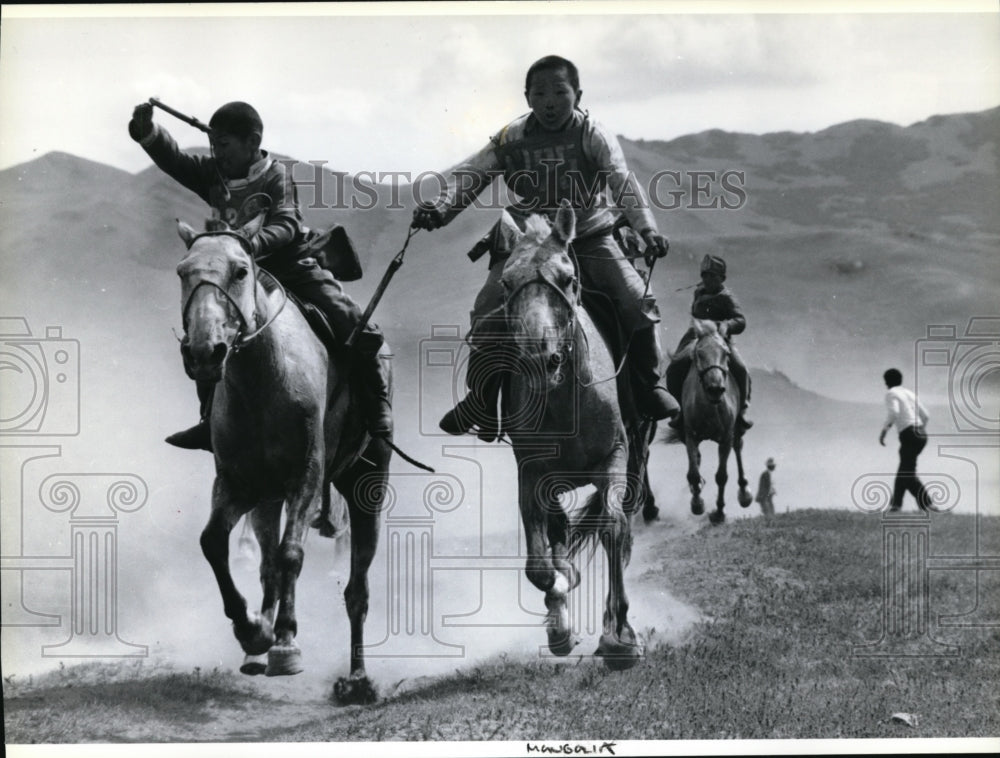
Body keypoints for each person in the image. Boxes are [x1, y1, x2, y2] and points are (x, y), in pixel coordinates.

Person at [411, 55, 678, 441]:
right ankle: (481, 398)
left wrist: (646, 229)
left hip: (588, 234)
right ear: (527, 98)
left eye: (559, 92)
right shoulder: (511, 137)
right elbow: (472, 174)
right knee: (488, 307)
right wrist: (439, 207)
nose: (550, 101)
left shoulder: (593, 135)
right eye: (540, 93)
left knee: (637, 299)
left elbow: (622, 182)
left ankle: (648, 385)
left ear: (578, 95)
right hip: (526, 241)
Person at [129, 100, 392, 450]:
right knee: (205, 331)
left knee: (351, 320)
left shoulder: (275, 175)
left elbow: (286, 224)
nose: (216, 153)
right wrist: (148, 134)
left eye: (223, 145)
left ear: (252, 142)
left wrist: (247, 245)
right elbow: (176, 161)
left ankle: (376, 408)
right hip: (240, 277)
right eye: (213, 145)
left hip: (291, 267)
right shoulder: (215, 173)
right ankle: (209, 419)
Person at [665, 254, 753, 434]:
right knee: (674, 367)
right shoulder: (698, 292)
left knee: (742, 369)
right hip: (696, 337)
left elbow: (740, 320)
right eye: (705, 275)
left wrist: (726, 326)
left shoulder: (727, 297)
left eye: (713, 276)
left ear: (722, 278)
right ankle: (679, 411)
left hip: (720, 340)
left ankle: (741, 411)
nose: (708, 279)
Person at [879, 368, 930, 511]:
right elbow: (926, 415)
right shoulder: (909, 393)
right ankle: (897, 505)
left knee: (905, 472)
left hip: (909, 434)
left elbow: (894, 412)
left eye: (885, 382)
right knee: (905, 471)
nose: (885, 385)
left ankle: (927, 504)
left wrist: (884, 431)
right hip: (921, 434)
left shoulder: (891, 393)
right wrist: (919, 430)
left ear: (887, 382)